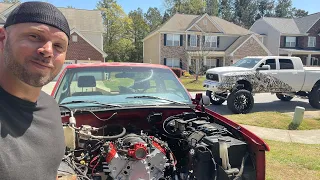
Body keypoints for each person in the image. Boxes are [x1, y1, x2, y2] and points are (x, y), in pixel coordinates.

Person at [0, 1, 70, 180]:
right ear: (2, 39)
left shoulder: (51, 107)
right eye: (34, 36)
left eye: (58, 46)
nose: (47, 51)